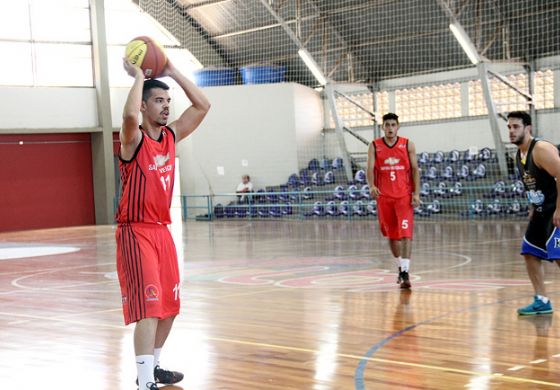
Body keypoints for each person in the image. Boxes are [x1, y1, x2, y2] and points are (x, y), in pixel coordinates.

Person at [116, 58, 210, 390]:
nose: (166, 106)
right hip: (136, 230)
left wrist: (171, 72)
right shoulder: (133, 140)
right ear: (144, 105)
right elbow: (128, 117)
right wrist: (140, 75)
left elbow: (203, 105)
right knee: (151, 307)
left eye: (168, 102)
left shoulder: (171, 137)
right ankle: (144, 383)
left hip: (162, 230)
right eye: (159, 100)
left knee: (169, 308)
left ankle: (152, 368)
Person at [509, 111, 560, 315]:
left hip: (554, 209)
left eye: (516, 127)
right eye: (509, 127)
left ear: (528, 128)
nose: (511, 131)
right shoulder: (518, 155)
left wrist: (559, 208)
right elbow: (533, 184)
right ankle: (542, 300)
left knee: (558, 256)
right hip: (540, 211)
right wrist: (532, 207)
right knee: (530, 252)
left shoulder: (540, 149)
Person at [366, 113, 420, 289]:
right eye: (387, 125)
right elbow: (369, 168)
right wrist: (372, 185)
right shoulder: (374, 145)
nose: (390, 128)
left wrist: (416, 193)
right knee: (392, 236)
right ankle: (400, 266)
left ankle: (405, 272)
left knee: (405, 235)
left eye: (393, 125)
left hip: (403, 197)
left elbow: (414, 170)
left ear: (398, 126)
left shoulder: (407, 144)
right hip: (384, 198)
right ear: (383, 127)